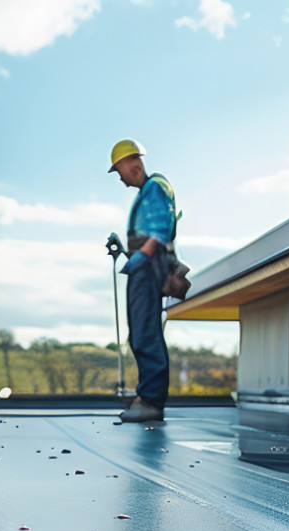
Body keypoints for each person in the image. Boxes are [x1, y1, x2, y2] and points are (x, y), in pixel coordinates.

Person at [109, 139, 178, 424]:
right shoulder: (149, 191)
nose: (122, 180)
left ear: (133, 164)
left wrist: (139, 260)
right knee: (140, 331)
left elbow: (159, 233)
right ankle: (147, 396)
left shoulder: (155, 188)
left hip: (148, 269)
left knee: (145, 333)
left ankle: (150, 400)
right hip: (144, 266)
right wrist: (126, 252)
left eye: (120, 171)